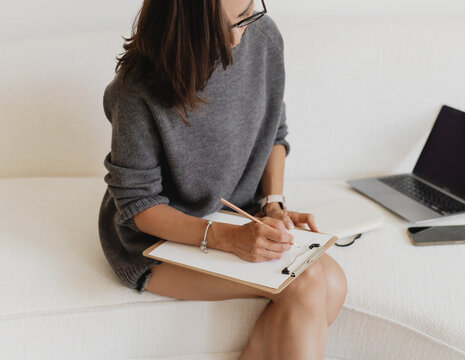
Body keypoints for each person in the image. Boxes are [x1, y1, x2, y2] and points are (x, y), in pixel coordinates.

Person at [98, 0, 348, 358]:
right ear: (185, 27)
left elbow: (274, 133)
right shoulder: (134, 92)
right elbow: (140, 205)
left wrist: (272, 204)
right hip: (155, 240)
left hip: (234, 214)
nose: (241, 32)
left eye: (248, 11)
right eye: (226, 24)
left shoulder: (263, 38)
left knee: (334, 282)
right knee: (305, 282)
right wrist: (228, 239)